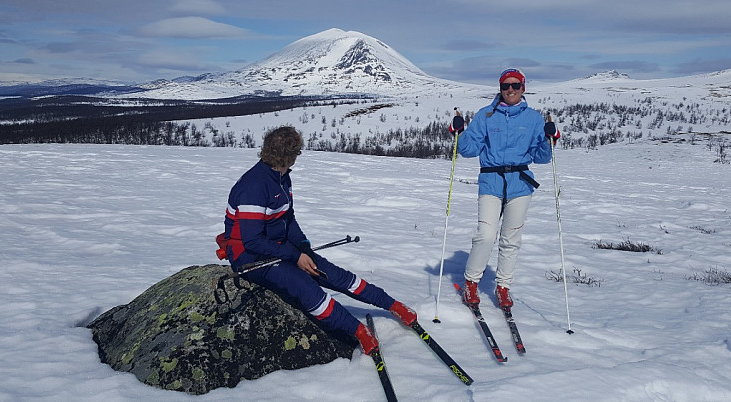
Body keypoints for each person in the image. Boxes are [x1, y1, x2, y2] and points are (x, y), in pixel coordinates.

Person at [215, 126, 417, 355]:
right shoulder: (254, 186)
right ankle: (358, 331)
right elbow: (252, 241)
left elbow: (287, 219)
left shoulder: (281, 178)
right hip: (250, 257)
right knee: (306, 287)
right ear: (289, 156)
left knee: (333, 274)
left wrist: (302, 246)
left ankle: (393, 305)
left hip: (276, 247)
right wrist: (294, 256)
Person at [450, 68, 559, 308]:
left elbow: (541, 157)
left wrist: (551, 140)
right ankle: (471, 283)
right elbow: (468, 150)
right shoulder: (486, 115)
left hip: (520, 184)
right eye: (505, 86)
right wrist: (460, 133)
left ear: (523, 88)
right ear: (500, 88)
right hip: (491, 181)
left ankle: (503, 287)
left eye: (515, 85)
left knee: (511, 239)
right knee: (486, 235)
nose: (510, 89)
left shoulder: (533, 118)